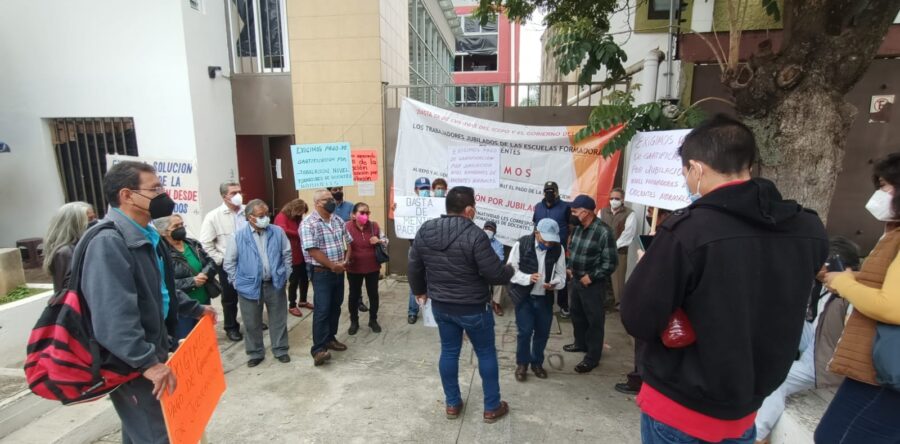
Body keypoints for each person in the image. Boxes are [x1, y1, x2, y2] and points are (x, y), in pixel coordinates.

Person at [620, 114, 828, 444]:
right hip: (747, 405)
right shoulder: (809, 229)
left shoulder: (688, 231)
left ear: (697, 169)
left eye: (685, 172)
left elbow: (637, 316)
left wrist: (652, 268)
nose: (686, 182)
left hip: (682, 407)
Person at [80, 161, 215, 443]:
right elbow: (113, 317)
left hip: (152, 352)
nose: (164, 194)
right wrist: (147, 364)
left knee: (141, 432)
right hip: (132, 365)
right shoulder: (110, 242)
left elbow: (159, 290)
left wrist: (195, 307)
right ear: (127, 195)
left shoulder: (149, 235)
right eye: (154, 189)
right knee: (158, 434)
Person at [408, 186, 515, 423]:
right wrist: (510, 269)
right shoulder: (475, 235)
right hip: (473, 308)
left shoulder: (426, 230)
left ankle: (452, 404)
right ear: (469, 210)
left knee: (449, 352)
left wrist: (420, 291)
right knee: (486, 354)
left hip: (442, 307)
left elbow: (414, 265)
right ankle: (491, 407)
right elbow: (494, 274)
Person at [817, 152, 900, 443]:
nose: (880, 194)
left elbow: (893, 306)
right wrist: (851, 280)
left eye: (887, 186)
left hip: (887, 369)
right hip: (873, 366)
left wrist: (845, 283)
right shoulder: (892, 233)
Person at [753, 237, 860, 443]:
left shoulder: (849, 295)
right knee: (775, 320)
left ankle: (757, 435)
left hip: (823, 359)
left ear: (840, 267)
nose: (817, 267)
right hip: (815, 339)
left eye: (824, 263)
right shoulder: (824, 287)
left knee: (776, 380)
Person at [224, 199, 292, 367]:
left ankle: (280, 349)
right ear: (250, 218)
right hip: (248, 287)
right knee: (251, 322)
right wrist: (236, 283)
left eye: (267, 214)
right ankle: (255, 353)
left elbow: (287, 254)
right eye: (261, 216)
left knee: (278, 319)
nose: (266, 218)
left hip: (274, 283)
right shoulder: (238, 236)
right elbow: (229, 263)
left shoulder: (277, 232)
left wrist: (285, 275)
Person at [614, 207, 673, 396]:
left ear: (664, 215)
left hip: (656, 301)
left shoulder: (670, 237)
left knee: (647, 345)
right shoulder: (659, 234)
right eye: (647, 214)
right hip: (650, 300)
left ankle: (641, 380)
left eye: (652, 214)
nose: (649, 217)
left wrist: (645, 259)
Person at [563, 195, 618, 373]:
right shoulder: (578, 228)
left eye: (575, 211)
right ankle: (580, 343)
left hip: (592, 284)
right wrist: (570, 267)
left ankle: (592, 357)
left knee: (594, 320)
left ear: (586, 212)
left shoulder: (604, 232)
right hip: (576, 280)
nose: (572, 214)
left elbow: (610, 262)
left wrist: (592, 277)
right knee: (576, 314)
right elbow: (573, 249)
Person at [507, 218, 566, 382]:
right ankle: (522, 364)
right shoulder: (522, 244)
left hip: (545, 298)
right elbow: (511, 269)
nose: (548, 244)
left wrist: (554, 284)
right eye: (545, 240)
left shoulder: (558, 249)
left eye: (551, 241)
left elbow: (561, 275)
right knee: (524, 332)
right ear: (536, 233)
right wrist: (527, 278)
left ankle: (537, 363)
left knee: (542, 333)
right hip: (524, 296)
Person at [301, 189, 352, 366]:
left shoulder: (338, 220)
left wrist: (345, 260)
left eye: (331, 199)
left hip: (339, 271)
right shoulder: (309, 223)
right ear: (317, 203)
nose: (331, 201)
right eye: (326, 199)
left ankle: (330, 338)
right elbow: (313, 250)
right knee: (322, 309)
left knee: (335, 306)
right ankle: (318, 349)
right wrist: (332, 265)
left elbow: (348, 242)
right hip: (322, 273)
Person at [157, 214, 221, 341]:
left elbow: (211, 262)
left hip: (203, 302)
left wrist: (205, 273)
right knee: (186, 343)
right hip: (182, 309)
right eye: (176, 226)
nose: (181, 228)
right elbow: (164, 284)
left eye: (182, 224)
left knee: (205, 341)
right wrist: (191, 282)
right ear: (164, 232)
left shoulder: (193, 244)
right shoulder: (161, 253)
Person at [199, 181, 246, 342]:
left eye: (239, 191)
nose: (238, 195)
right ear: (224, 196)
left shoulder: (247, 211)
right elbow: (206, 243)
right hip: (228, 265)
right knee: (230, 297)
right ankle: (231, 327)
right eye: (233, 193)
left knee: (252, 294)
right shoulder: (214, 216)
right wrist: (221, 260)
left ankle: (253, 321)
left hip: (250, 263)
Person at [345, 202, 388, 335]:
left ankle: (373, 320)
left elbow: (386, 239)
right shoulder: (346, 227)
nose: (365, 215)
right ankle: (354, 322)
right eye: (362, 213)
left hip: (372, 267)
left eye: (367, 213)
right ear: (353, 215)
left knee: (373, 294)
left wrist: (379, 240)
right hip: (354, 267)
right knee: (354, 295)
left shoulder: (374, 225)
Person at [533, 181, 573, 318]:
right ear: (544, 192)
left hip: (558, 247)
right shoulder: (538, 207)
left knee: (561, 275)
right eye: (547, 191)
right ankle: (540, 302)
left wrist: (568, 244)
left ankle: (563, 305)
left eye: (552, 191)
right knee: (540, 274)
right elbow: (535, 225)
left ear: (556, 192)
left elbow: (570, 227)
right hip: (541, 247)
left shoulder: (565, 207)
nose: (549, 193)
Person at [42, 201, 93, 293]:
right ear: (74, 224)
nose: (96, 223)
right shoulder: (65, 252)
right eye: (90, 219)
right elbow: (70, 290)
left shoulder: (80, 246)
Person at [275, 198, 313, 317]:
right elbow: (282, 230)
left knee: (305, 278)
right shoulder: (282, 216)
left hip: (300, 253)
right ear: (294, 209)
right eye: (300, 211)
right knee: (294, 281)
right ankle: (292, 305)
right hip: (290, 254)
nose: (301, 214)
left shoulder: (297, 218)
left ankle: (303, 300)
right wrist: (299, 233)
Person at [599, 187, 636, 309]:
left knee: (618, 280)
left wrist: (612, 247)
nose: (614, 200)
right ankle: (602, 301)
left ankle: (619, 304)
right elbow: (597, 229)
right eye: (611, 198)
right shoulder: (602, 211)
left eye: (617, 198)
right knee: (601, 277)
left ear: (623, 200)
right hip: (602, 251)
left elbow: (628, 234)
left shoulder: (630, 214)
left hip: (619, 252)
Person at [407, 176, 432, 324]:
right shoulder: (408, 206)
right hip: (414, 248)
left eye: (427, 188)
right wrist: (397, 211)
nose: (425, 191)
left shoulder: (436, 204)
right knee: (414, 280)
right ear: (416, 190)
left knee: (432, 280)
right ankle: (412, 311)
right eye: (422, 189)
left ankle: (430, 311)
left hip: (432, 250)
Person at [484, 221, 506, 316]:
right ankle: (482, 303)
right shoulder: (476, 240)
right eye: (487, 228)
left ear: (495, 232)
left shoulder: (498, 244)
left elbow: (500, 259)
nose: (488, 231)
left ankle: (496, 303)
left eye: (491, 229)